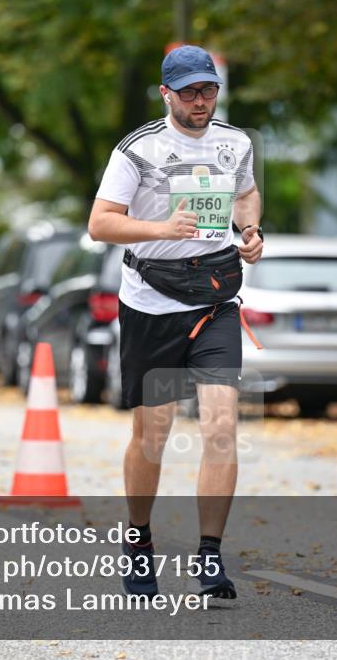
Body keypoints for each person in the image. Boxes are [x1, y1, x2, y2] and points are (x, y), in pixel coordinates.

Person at [88, 44, 263, 600]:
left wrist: (252, 231)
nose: (201, 101)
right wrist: (161, 229)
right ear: (167, 93)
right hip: (151, 304)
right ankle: (138, 544)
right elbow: (100, 224)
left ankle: (209, 557)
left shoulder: (236, 143)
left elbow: (247, 193)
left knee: (220, 427)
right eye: (189, 92)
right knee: (152, 435)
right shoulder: (137, 150)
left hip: (213, 303)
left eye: (208, 89)